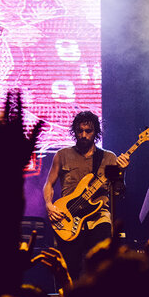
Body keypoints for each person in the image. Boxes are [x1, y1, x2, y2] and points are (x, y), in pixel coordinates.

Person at [43, 111, 128, 282]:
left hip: (98, 217)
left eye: (88, 131)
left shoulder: (109, 157)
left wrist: (122, 172)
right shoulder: (62, 155)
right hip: (68, 217)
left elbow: (118, 191)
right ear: (74, 131)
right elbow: (49, 184)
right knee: (70, 269)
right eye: (79, 130)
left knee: (102, 268)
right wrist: (49, 205)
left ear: (96, 132)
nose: (83, 135)